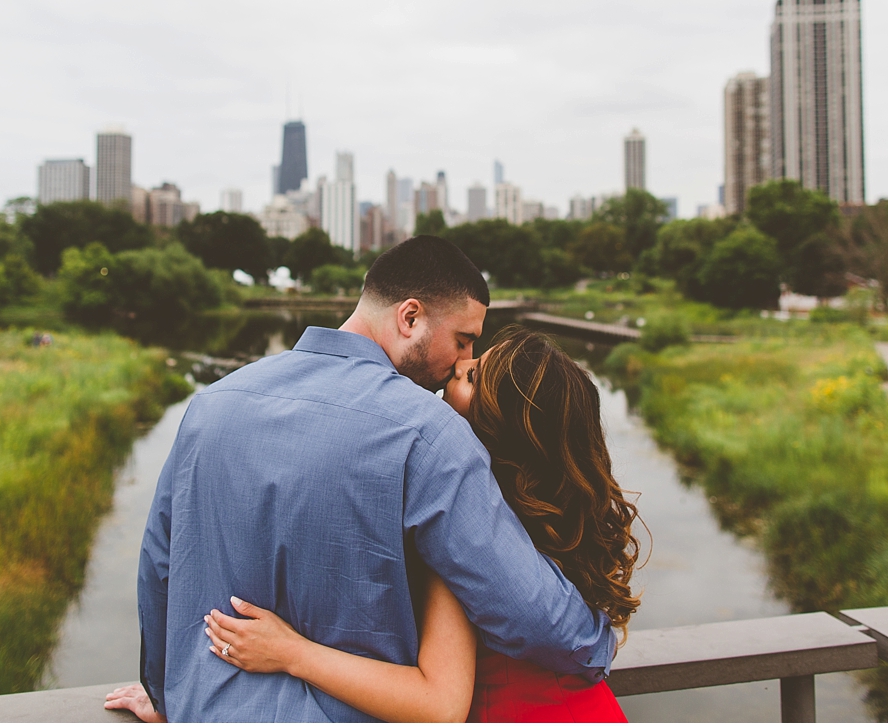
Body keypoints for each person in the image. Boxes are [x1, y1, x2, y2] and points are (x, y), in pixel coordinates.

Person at [109, 237, 616, 722]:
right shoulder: (428, 433)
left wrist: (167, 692)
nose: (458, 364)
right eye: (462, 341)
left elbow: (159, 567)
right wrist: (597, 641)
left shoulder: (210, 405)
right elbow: (525, 608)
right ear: (411, 317)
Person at [197, 326, 641, 722]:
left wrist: (291, 652)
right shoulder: (549, 520)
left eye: (473, 376)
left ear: (498, 424)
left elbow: (437, 706)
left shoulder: (459, 535)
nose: (459, 364)